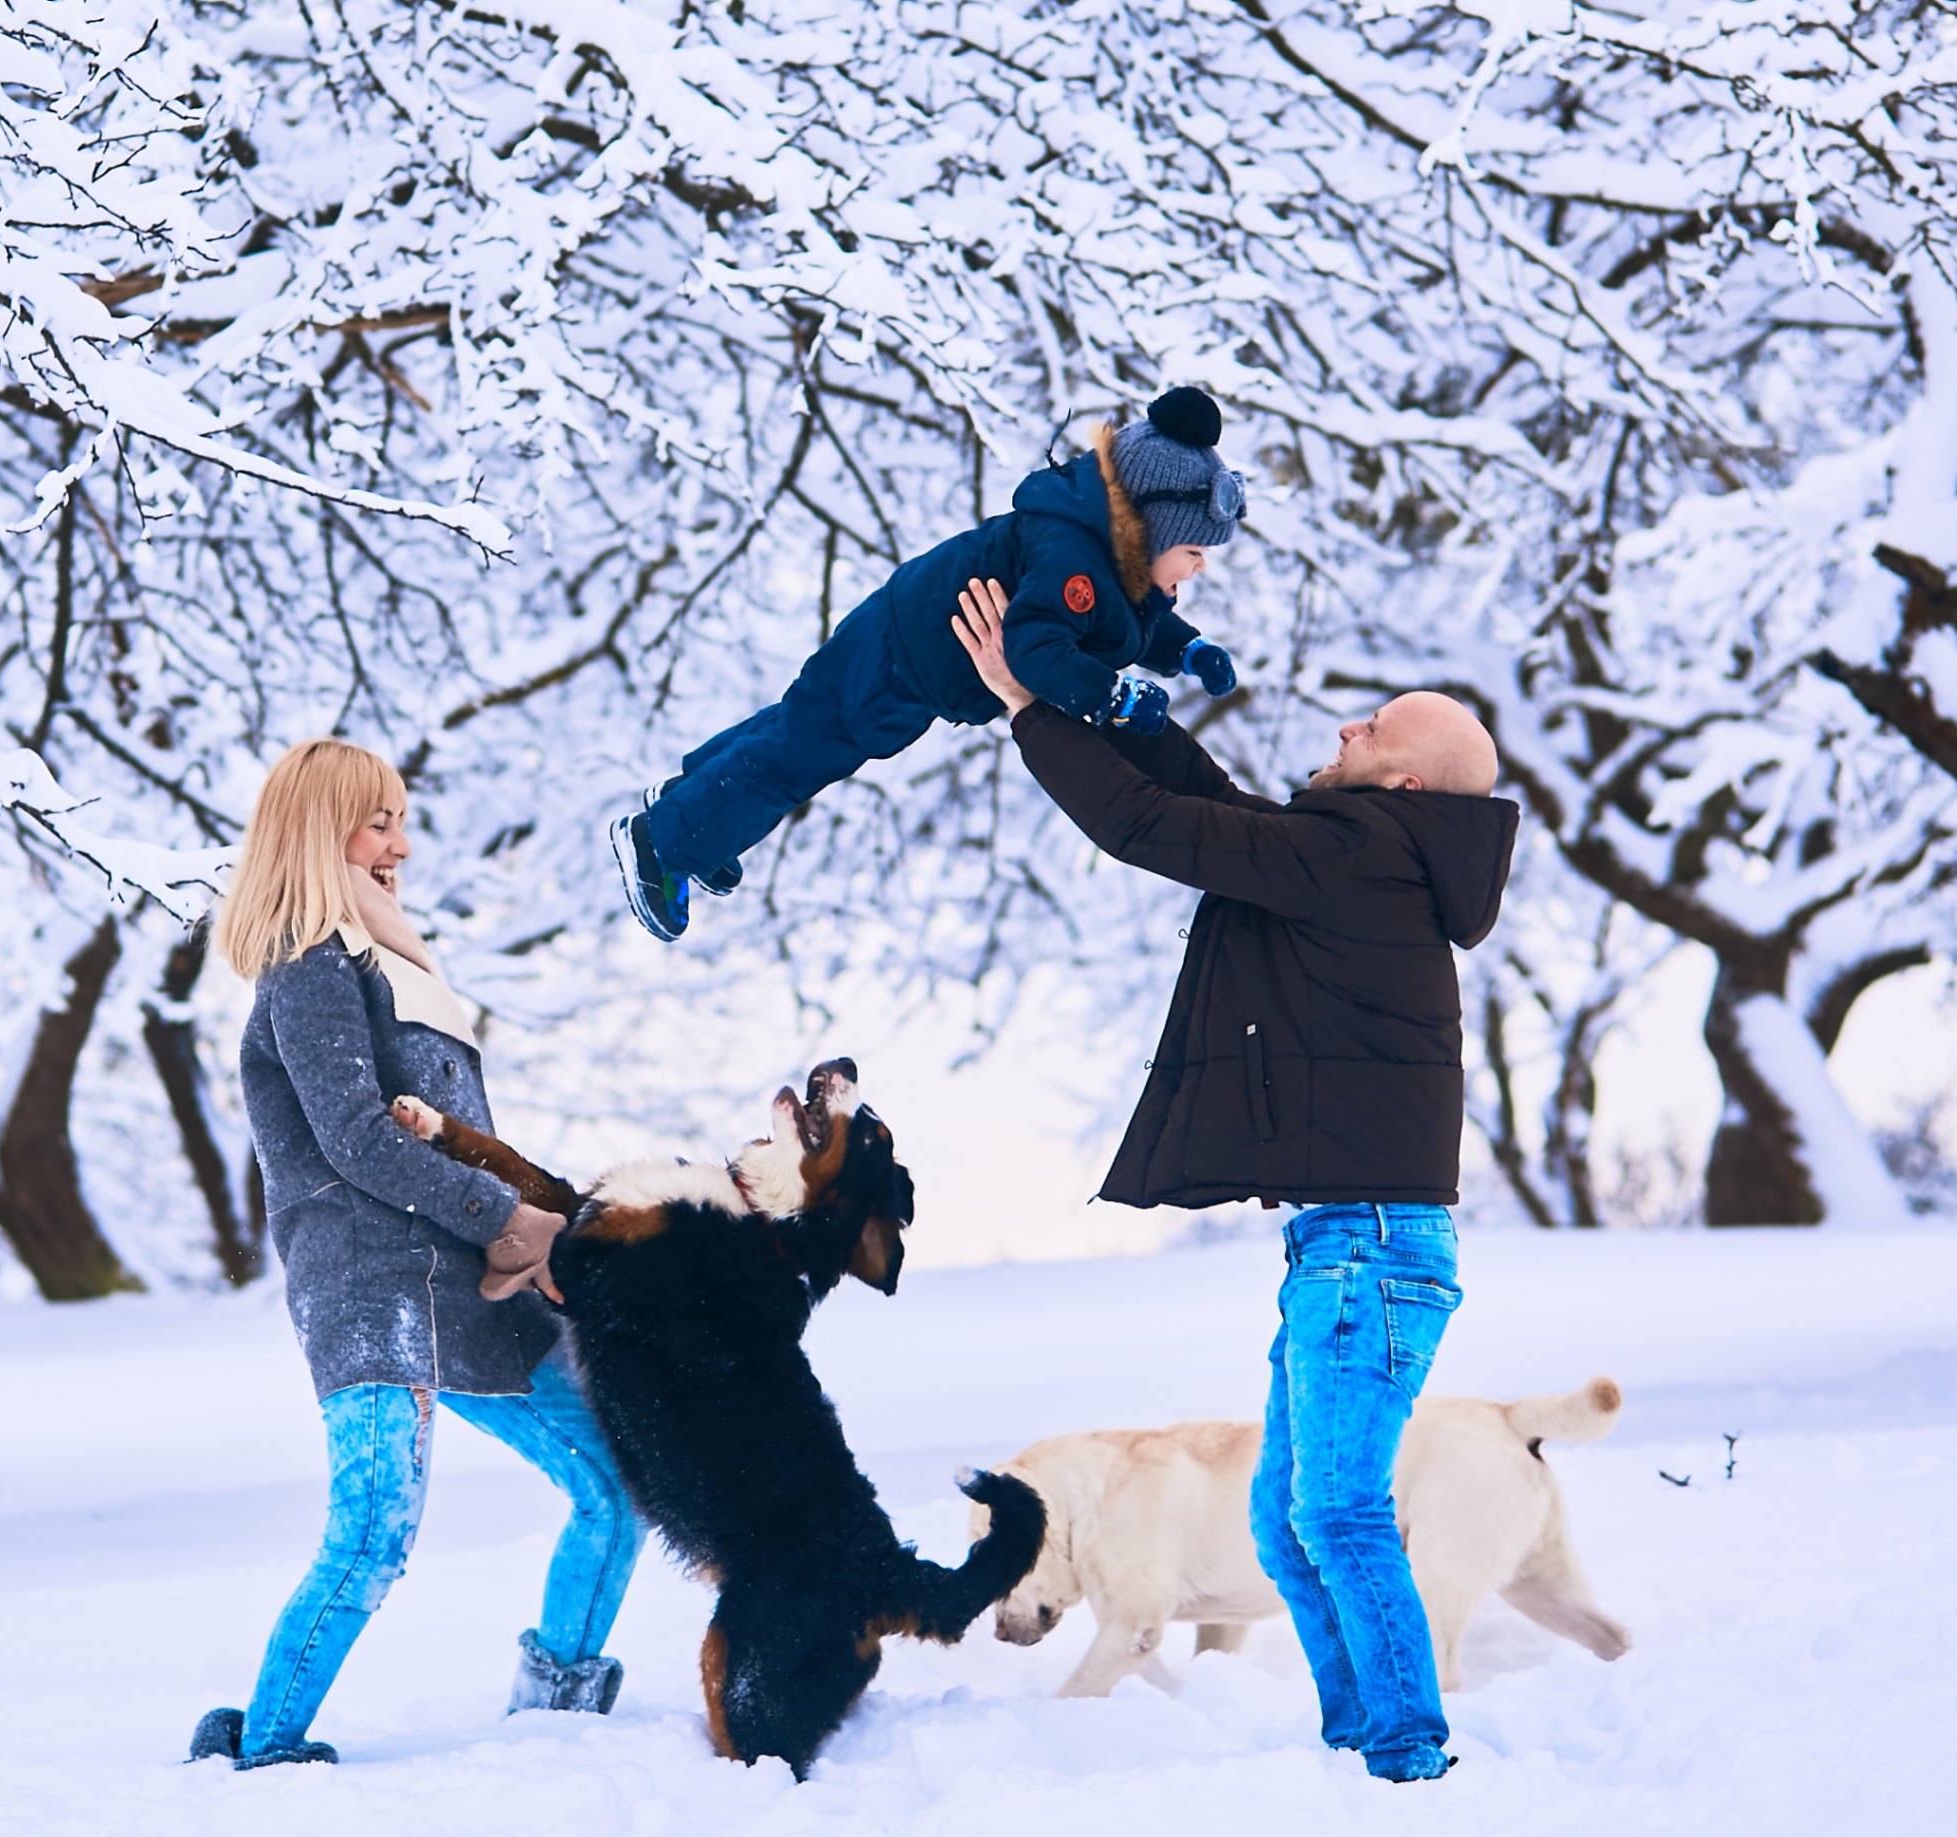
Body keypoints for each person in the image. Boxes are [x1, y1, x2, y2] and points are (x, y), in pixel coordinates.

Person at [951, 579, 1517, 1783]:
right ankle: (1356, 1738)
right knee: (1283, 1518)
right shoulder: (1369, 855)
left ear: (1406, 784)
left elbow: (1160, 831)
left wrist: (1027, 711)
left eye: (1373, 729)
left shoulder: (1363, 856)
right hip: (1346, 1246)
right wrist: (1115, 704)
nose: (1344, 728)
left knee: (1341, 1511)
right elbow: (1214, 809)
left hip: (1368, 1251)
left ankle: (1405, 1755)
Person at [188, 738, 645, 1770]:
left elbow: (452, 1129)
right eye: (377, 820)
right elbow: (353, 1136)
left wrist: (546, 1219)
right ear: (318, 832)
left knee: (616, 1481)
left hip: (474, 1282)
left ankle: (554, 1711)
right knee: (373, 1535)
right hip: (370, 1285)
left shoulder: (394, 961)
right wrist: (498, 1218)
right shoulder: (308, 968)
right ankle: (262, 1749)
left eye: (400, 817)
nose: (402, 843)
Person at [611, 386, 1250, 941]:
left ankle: (695, 802)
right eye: (1193, 549)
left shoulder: (1106, 559)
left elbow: (1127, 619)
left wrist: (1187, 651)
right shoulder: (1073, 561)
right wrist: (1112, 698)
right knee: (801, 753)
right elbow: (1038, 650)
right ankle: (665, 842)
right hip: (902, 660)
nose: (1199, 566)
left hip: (908, 649)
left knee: (799, 726)